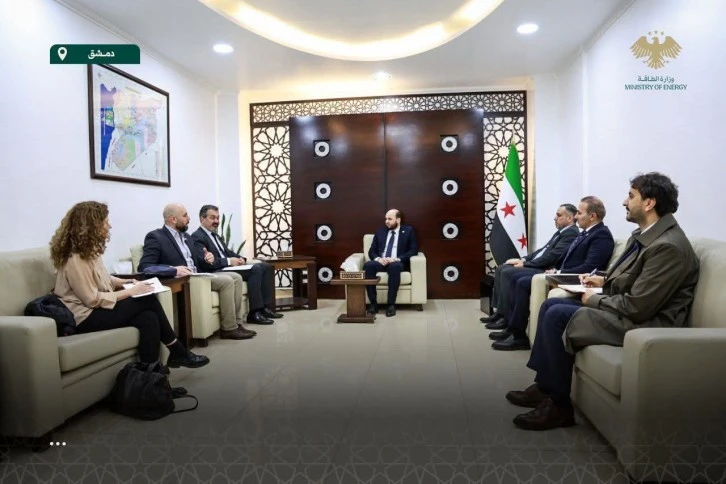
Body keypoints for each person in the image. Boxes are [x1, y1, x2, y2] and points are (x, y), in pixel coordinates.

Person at [507, 173, 699, 431]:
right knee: (551, 305)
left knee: (557, 315)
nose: (624, 202)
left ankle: (559, 407)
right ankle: (544, 387)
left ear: (649, 203)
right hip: (631, 311)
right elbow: (637, 280)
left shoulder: (668, 247)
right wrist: (604, 280)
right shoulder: (647, 236)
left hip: (647, 325)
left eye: (631, 196)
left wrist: (595, 300)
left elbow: (638, 307)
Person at [51, 201, 209, 368]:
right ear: (91, 225)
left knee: (148, 318)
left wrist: (127, 282)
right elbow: (92, 299)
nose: (109, 226)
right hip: (84, 317)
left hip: (95, 309)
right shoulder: (75, 258)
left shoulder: (89, 252)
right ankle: (178, 351)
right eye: (105, 222)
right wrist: (132, 291)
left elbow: (105, 278)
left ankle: (152, 375)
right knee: (147, 299)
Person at [490, 196, 614, 350]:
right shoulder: (586, 233)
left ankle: (518, 335)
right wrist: (555, 270)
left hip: (575, 278)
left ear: (592, 216)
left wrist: (559, 271)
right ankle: (511, 327)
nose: (576, 217)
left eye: (579, 213)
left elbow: (589, 267)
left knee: (521, 281)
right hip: (562, 273)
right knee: (516, 278)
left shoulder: (601, 235)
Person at [138, 203, 258, 340]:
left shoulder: (187, 237)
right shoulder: (156, 237)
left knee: (236, 277)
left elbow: (197, 259)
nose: (189, 218)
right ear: (173, 219)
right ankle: (229, 328)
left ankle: (237, 324)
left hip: (199, 274)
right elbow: (145, 267)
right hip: (185, 279)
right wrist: (173, 270)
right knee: (227, 281)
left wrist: (208, 257)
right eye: (185, 215)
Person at [481, 204, 579, 329]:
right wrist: (523, 259)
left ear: (570, 218)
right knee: (501, 268)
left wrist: (525, 264)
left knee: (507, 272)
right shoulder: (561, 232)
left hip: (545, 268)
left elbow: (552, 257)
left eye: (559, 215)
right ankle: (500, 313)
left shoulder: (571, 233)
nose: (555, 218)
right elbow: (542, 251)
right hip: (538, 265)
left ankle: (506, 317)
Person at [191, 204, 281, 324]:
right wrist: (229, 261)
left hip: (227, 267)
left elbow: (227, 252)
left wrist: (241, 258)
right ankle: (254, 313)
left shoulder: (215, 235)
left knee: (266, 266)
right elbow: (207, 263)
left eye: (218, 218)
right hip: (218, 270)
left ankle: (265, 308)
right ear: (202, 219)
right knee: (256, 269)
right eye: (212, 218)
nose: (216, 221)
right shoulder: (197, 237)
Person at [364, 209, 419, 317]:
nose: (386, 221)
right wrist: (379, 259)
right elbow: (372, 251)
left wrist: (396, 259)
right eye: (386, 219)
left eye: (390, 219)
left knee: (395, 267)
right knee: (368, 266)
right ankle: (373, 304)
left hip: (396, 262)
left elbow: (413, 250)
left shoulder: (408, 231)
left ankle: (391, 305)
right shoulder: (380, 231)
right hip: (382, 261)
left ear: (398, 220)